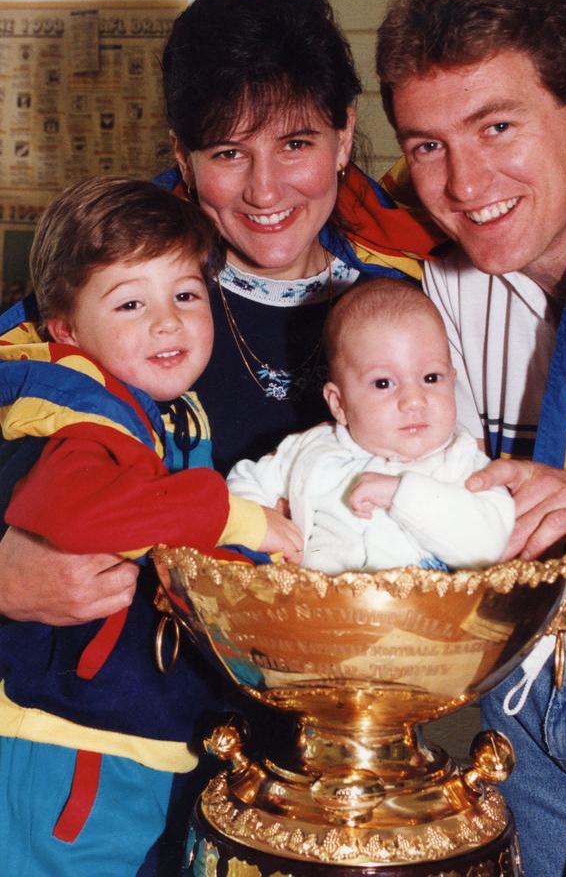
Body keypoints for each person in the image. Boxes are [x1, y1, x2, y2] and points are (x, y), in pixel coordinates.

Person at [0, 0, 440, 875]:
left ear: (348, 135)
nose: (265, 186)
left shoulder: (407, 311)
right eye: (226, 152)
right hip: (99, 765)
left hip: (321, 781)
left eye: (297, 142)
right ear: (181, 152)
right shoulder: (106, 303)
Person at [376, 0, 566, 877]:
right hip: (521, 692)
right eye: (427, 145)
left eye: (498, 125)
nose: (463, 181)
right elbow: (221, 233)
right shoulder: (432, 273)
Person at [0, 177, 304, 876]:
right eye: (131, 302)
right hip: (69, 744)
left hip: (142, 734)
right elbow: (84, 513)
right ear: (67, 330)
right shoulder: (81, 417)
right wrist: (234, 517)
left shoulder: (165, 409)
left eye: (186, 295)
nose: (167, 322)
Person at [228, 278, 513, 574]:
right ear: (339, 404)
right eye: (383, 383)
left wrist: (400, 494)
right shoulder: (310, 450)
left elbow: (488, 545)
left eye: (431, 378)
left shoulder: (465, 462)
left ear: (453, 381)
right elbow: (243, 484)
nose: (414, 400)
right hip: (316, 610)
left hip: (425, 615)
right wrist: (262, 521)